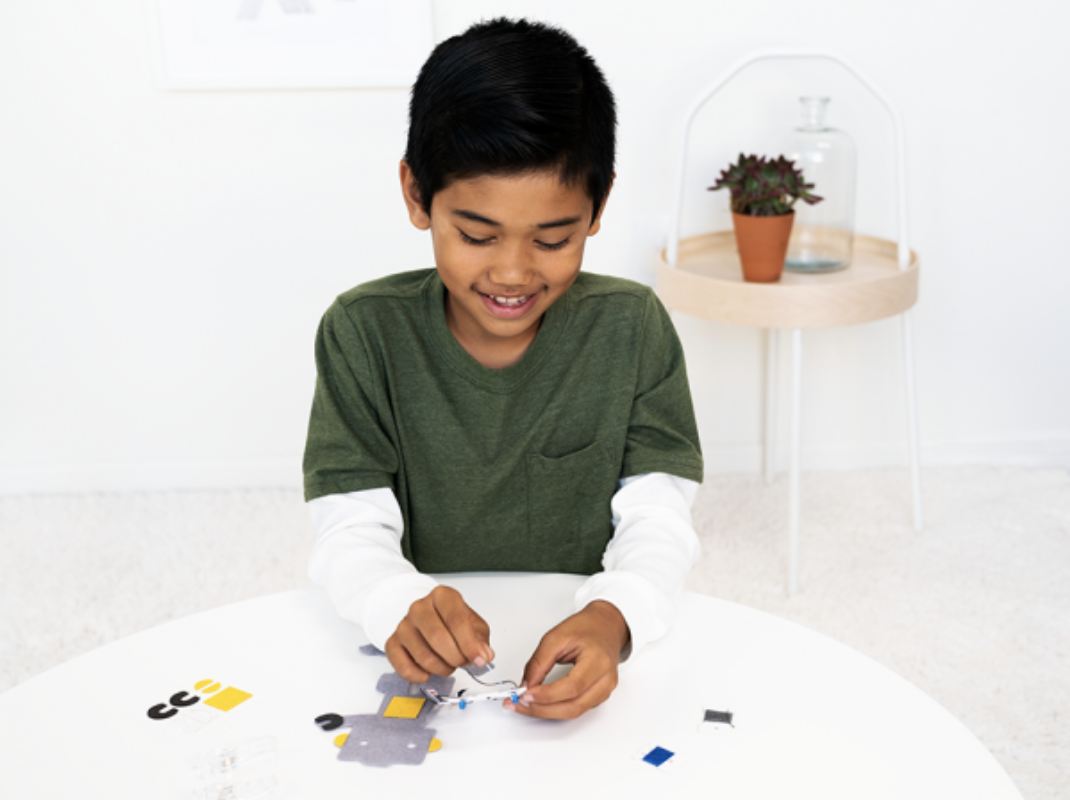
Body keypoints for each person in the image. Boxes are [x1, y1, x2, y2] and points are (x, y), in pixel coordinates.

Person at [302, 17, 703, 721]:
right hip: (433, 653)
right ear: (416, 195)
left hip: (577, 633)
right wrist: (396, 600)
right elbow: (349, 527)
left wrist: (618, 614)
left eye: (554, 239)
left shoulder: (631, 327)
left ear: (599, 205)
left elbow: (658, 516)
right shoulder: (362, 332)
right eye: (477, 235)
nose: (512, 273)